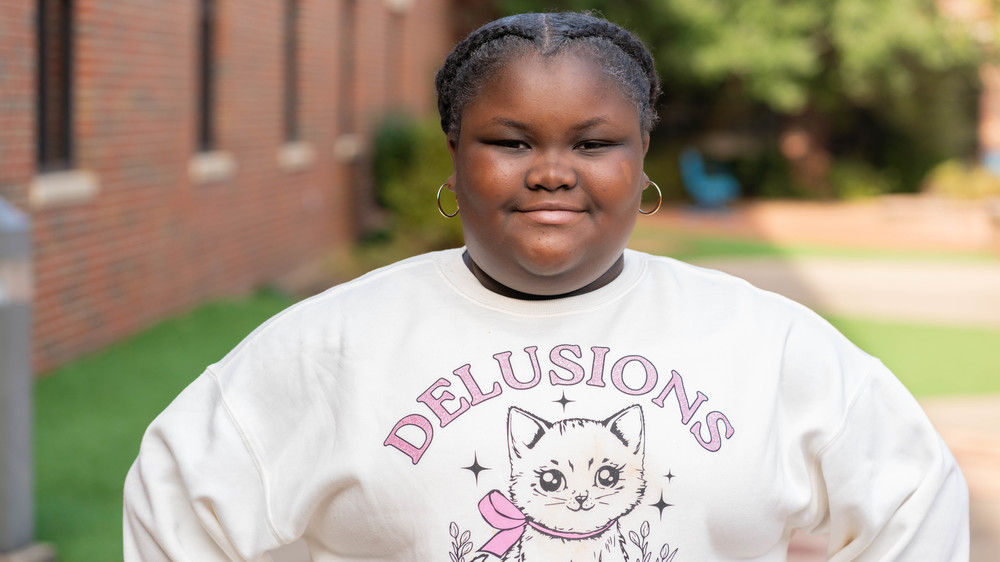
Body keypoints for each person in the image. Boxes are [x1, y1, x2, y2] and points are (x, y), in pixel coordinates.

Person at [123, 12, 969, 561]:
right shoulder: (331, 345)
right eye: (512, 141)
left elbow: (916, 505)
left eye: (595, 143)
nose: (553, 174)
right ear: (458, 156)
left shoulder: (767, 344)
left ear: (642, 162)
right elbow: (177, 500)